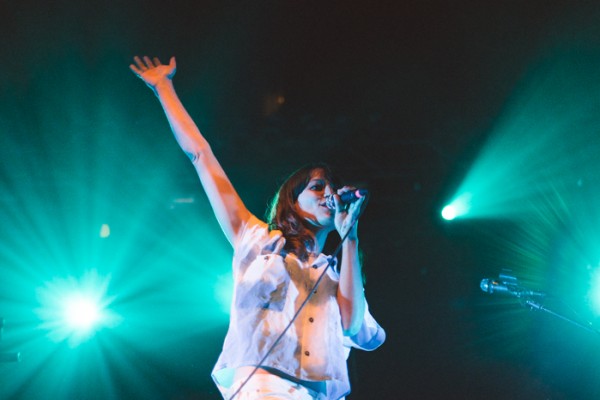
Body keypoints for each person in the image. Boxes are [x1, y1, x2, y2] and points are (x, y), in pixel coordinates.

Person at [130, 56, 385, 400]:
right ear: (292, 200)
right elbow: (201, 156)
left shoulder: (335, 274)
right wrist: (164, 88)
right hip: (265, 385)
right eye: (317, 187)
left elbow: (353, 325)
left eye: (330, 188)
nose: (328, 195)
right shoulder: (257, 239)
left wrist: (350, 236)